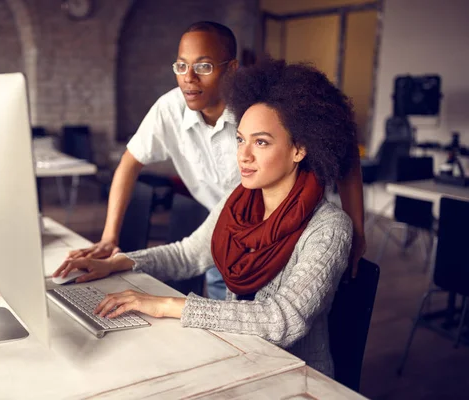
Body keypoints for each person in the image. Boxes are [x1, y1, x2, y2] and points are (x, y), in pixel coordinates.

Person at [54, 58, 358, 377]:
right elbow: (188, 254)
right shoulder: (238, 199)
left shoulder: (329, 228)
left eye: (262, 142)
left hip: (292, 376)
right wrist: (117, 262)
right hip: (233, 355)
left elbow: (283, 320)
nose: (244, 154)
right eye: (240, 139)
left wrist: (168, 305)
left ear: (299, 149)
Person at [66, 21, 366, 302]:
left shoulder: (257, 108)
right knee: (226, 302)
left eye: (204, 66)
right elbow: (131, 168)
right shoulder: (170, 111)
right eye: (181, 66)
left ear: (231, 69)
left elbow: (341, 146)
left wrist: (356, 227)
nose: (189, 77)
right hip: (227, 228)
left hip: (292, 225)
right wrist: (111, 243)